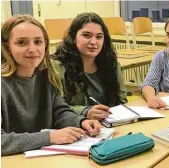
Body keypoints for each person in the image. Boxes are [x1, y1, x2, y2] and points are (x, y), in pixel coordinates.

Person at [1, 15, 102, 156]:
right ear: (7, 47)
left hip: (44, 160)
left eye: (38, 42)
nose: (32, 49)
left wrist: (81, 121)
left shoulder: (45, 75)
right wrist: (49, 138)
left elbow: (58, 111)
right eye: (21, 43)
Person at [52, 12, 127, 120]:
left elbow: (121, 100)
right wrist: (86, 112)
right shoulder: (58, 66)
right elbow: (57, 108)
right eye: (86, 35)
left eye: (99, 37)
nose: (93, 42)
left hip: (110, 123)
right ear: (73, 37)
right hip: (74, 126)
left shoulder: (111, 64)